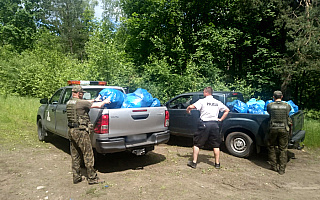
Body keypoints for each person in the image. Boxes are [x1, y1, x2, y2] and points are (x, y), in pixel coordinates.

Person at [66, 85, 110, 184]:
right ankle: (92, 178)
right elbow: (98, 106)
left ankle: (76, 176)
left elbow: (87, 102)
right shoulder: (81, 103)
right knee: (88, 154)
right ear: (78, 93)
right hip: (80, 131)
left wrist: (96, 99)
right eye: (82, 93)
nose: (82, 95)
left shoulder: (69, 102)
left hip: (71, 131)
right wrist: (104, 101)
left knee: (75, 154)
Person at [186, 87, 230, 169]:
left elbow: (191, 107)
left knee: (197, 143)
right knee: (216, 145)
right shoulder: (217, 102)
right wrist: (220, 119)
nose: (203, 93)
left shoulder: (202, 101)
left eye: (203, 92)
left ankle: (194, 162)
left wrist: (188, 110)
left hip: (204, 124)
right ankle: (217, 164)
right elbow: (227, 110)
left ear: (206, 92)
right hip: (214, 124)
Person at [267, 90, 292, 175]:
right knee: (283, 149)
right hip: (284, 128)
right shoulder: (287, 106)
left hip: (273, 128)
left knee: (271, 146)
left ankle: (273, 165)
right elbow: (288, 113)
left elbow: (269, 113)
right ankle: (282, 169)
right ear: (281, 97)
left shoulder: (270, 105)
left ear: (273, 97)